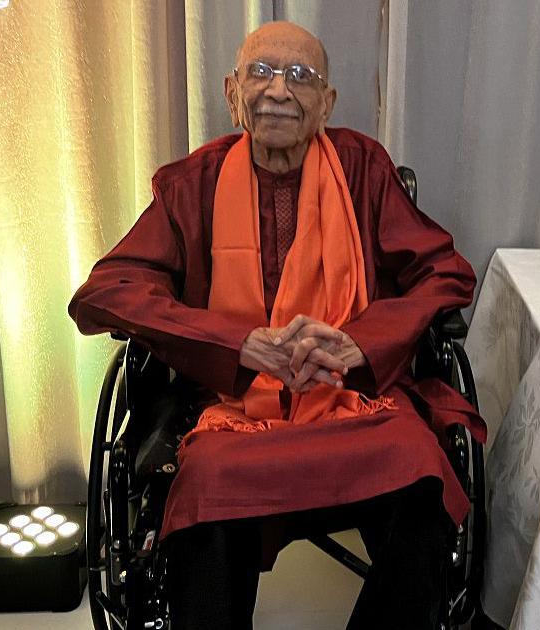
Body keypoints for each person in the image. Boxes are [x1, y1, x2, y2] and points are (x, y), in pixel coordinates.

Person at [69, 21, 484, 629]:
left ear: (327, 103)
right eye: (261, 73)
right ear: (232, 92)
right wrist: (235, 344)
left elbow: (445, 274)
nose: (278, 92)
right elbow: (105, 293)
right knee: (205, 494)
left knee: (424, 484)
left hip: (352, 403)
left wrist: (357, 344)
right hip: (235, 413)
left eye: (300, 76)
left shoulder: (363, 169)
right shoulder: (194, 184)